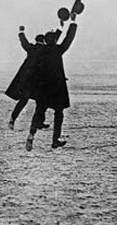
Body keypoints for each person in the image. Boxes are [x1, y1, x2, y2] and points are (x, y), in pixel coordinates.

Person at [26, 13, 78, 151]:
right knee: (58, 114)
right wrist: (73, 22)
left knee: (39, 111)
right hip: (57, 89)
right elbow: (68, 38)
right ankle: (55, 140)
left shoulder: (41, 51)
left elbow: (55, 38)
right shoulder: (58, 50)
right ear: (54, 41)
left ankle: (31, 134)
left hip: (43, 88)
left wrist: (61, 25)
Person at [5, 26, 49, 130]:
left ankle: (12, 119)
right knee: (41, 103)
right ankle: (39, 122)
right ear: (44, 41)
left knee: (23, 101)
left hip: (27, 81)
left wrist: (21, 32)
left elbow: (23, 42)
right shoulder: (45, 50)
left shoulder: (31, 48)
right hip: (38, 82)